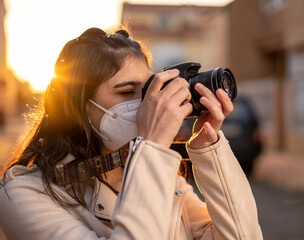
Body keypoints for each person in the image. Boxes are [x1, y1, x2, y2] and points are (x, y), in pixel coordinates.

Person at [0, 27, 263, 240]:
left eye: (148, 88)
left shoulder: (165, 179)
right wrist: (154, 148)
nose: (149, 103)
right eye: (127, 92)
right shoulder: (23, 193)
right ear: (76, 108)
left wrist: (208, 147)